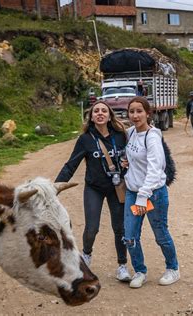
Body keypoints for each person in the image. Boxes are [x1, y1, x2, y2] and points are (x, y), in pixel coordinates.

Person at [55, 100, 132, 282]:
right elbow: (71, 164)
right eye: (96, 111)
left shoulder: (121, 135)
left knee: (119, 228)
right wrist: (55, 187)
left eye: (103, 111)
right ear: (91, 116)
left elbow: (134, 157)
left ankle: (122, 266)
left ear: (109, 115)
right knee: (91, 228)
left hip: (116, 188)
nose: (99, 113)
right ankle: (86, 256)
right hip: (94, 188)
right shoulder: (85, 140)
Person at [122, 96, 179, 288]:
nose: (135, 115)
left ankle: (173, 269)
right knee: (130, 236)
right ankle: (140, 271)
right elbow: (132, 156)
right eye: (132, 111)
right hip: (133, 194)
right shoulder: (130, 133)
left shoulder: (152, 136)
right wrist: (126, 163)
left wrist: (142, 195)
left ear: (148, 113)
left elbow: (156, 168)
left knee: (160, 234)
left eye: (139, 111)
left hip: (152, 195)